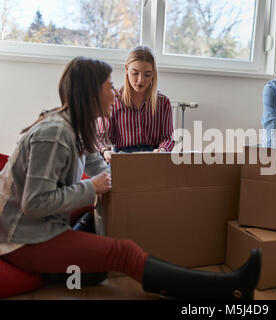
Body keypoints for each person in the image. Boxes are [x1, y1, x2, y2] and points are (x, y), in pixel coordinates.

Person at [0, 56, 261, 300]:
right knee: (122, 252)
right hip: (21, 237)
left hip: (41, 224)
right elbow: (34, 202)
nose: (115, 92)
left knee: (96, 252)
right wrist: (90, 188)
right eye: (109, 86)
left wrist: (140, 190)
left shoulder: (79, 128)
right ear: (91, 94)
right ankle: (228, 288)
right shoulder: (55, 133)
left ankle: (75, 261)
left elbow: (102, 169)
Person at [97, 46, 175, 163]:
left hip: (153, 158)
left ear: (153, 74)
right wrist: (105, 151)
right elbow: (102, 137)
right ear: (127, 70)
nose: (140, 80)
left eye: (147, 74)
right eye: (135, 73)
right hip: (122, 157)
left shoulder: (163, 102)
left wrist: (162, 150)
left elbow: (167, 138)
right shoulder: (113, 100)